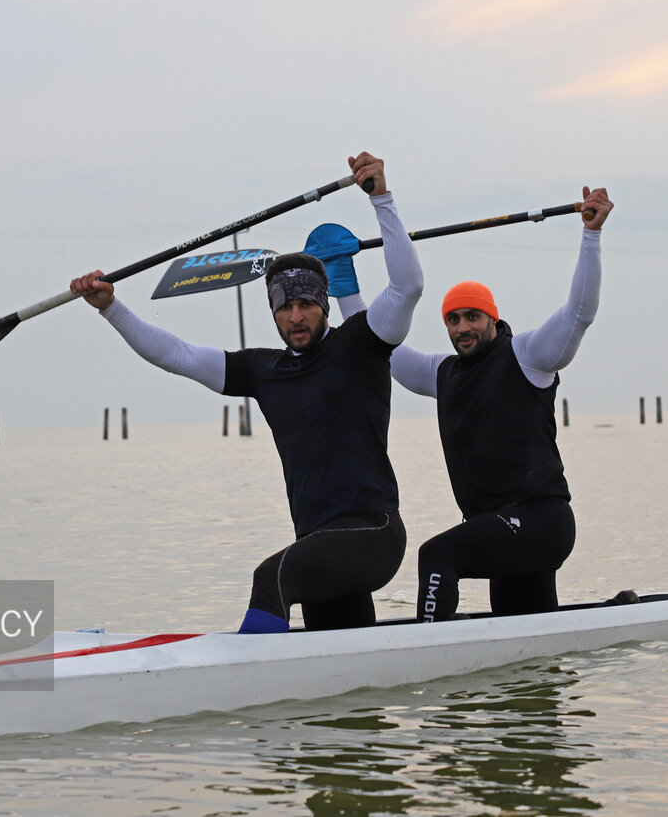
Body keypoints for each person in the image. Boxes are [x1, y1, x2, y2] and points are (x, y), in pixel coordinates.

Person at [69, 152, 424, 634]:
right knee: (338, 661)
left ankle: (245, 687)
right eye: (284, 307)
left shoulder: (359, 344)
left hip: (374, 533)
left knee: (273, 576)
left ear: (322, 306)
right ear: (273, 311)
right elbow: (179, 355)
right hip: (319, 539)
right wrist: (111, 308)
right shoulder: (263, 369)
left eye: (305, 305)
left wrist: (381, 197)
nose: (295, 317)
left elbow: (407, 286)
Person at [328, 187, 613, 620]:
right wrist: (345, 288)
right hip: (502, 528)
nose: (463, 327)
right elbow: (380, 352)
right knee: (526, 649)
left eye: (472, 316)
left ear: (492, 320)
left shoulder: (529, 356)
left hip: (541, 522)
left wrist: (590, 236)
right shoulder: (444, 374)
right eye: (453, 319)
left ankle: (427, 651)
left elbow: (580, 312)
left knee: (438, 555)